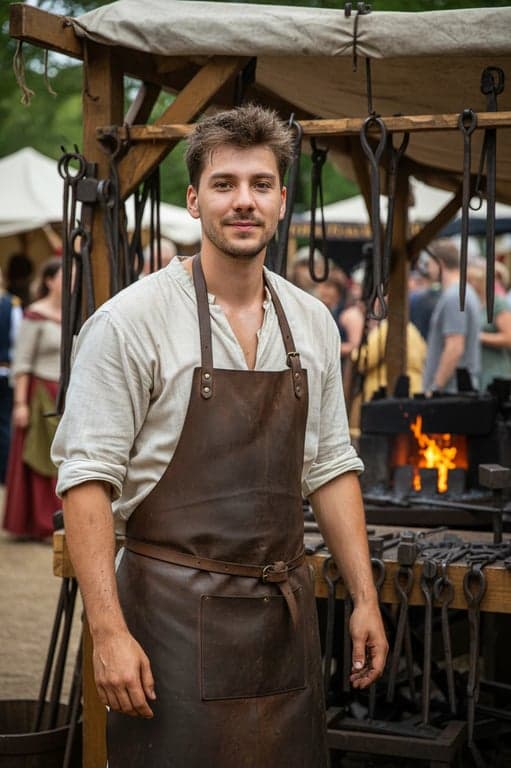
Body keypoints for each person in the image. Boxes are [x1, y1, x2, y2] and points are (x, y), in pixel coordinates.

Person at [52, 105, 387, 767]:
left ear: (282, 200)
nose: (243, 201)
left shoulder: (311, 323)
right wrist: (108, 631)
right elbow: (86, 479)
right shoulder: (131, 322)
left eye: (259, 184)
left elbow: (329, 467)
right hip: (167, 622)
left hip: (281, 625)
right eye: (225, 184)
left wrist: (364, 598)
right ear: (194, 198)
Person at [3, 258, 62, 540]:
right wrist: (21, 404)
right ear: (49, 280)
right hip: (39, 393)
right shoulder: (35, 315)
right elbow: (23, 363)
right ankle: (39, 523)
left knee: (59, 459)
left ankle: (54, 519)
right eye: (65, 275)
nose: (70, 280)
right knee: (39, 458)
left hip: (63, 393)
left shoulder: (74, 314)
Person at [422, 238, 481, 395]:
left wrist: (435, 387)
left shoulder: (455, 296)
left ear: (439, 263)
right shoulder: (461, 292)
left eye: (429, 263)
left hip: (451, 392)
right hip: (456, 391)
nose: (427, 269)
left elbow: (455, 347)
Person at [467, 263, 511, 391]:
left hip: (496, 372)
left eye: (470, 281)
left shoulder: (498, 304)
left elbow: (509, 337)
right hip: (479, 369)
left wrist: (479, 337)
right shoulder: (474, 304)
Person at [0, 270, 23, 483]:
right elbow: (17, 338)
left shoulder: (12, 304)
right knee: (5, 423)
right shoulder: (12, 304)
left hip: (5, 370)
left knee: (6, 424)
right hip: (5, 369)